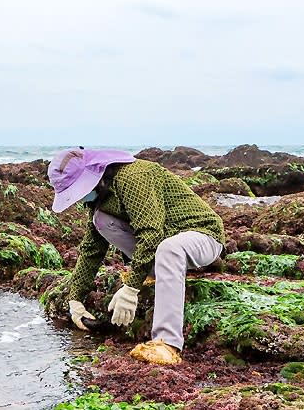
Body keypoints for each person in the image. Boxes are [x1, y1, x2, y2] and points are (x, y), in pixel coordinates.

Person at [47, 148, 225, 365]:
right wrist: (75, 299)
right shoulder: (101, 194)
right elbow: (92, 249)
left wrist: (131, 289)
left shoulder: (134, 177)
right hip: (163, 248)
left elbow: (151, 235)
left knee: (169, 248)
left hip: (201, 235)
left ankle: (167, 343)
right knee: (101, 220)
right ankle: (156, 271)